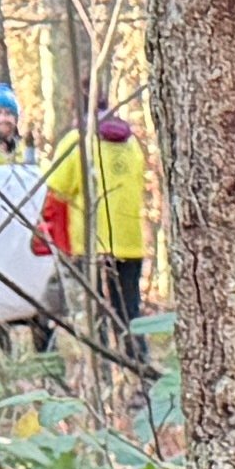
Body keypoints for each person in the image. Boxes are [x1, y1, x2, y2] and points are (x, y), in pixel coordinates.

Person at [42, 108, 148, 345]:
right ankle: (138, 368)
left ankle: (101, 372)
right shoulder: (131, 143)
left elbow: (56, 191)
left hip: (91, 245)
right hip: (131, 243)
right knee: (129, 312)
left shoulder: (76, 141)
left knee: (94, 315)